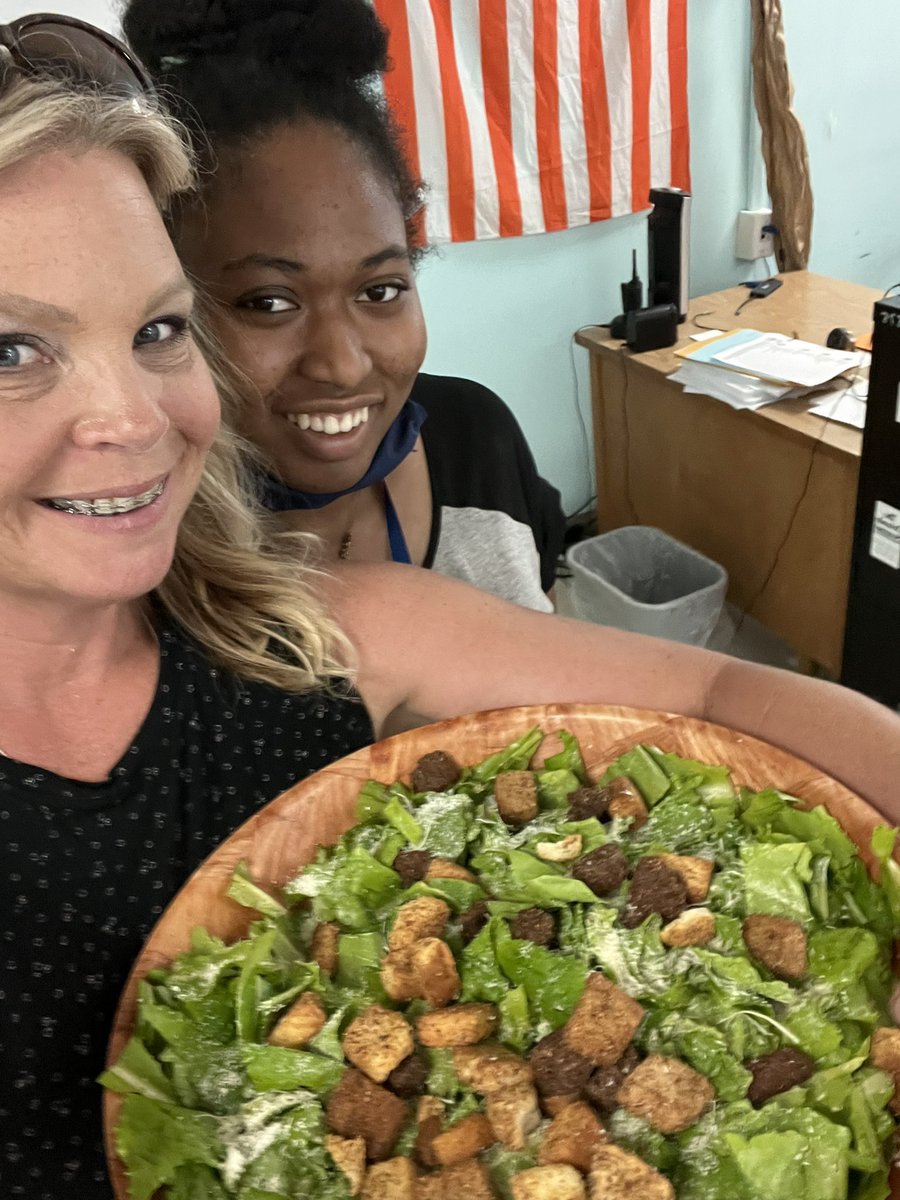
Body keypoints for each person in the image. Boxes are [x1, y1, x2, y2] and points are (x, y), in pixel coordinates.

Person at [1, 20, 899, 1200]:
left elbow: (727, 690)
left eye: (156, 330)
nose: (134, 417)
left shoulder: (326, 628)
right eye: (12, 349)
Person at [121, 0, 566, 613]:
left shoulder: (475, 439)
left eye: (379, 290)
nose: (344, 366)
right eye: (269, 302)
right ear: (167, 315)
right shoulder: (136, 552)